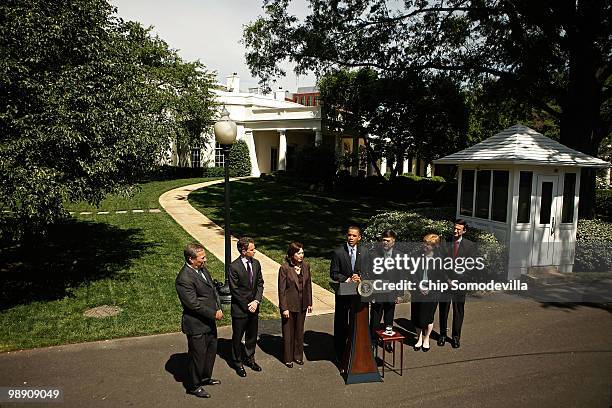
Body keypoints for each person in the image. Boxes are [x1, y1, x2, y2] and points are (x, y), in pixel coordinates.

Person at [175, 243, 223, 398]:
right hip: (196, 325)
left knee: (210, 352)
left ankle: (205, 378)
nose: (205, 260)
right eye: (202, 258)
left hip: (209, 322)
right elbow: (193, 304)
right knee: (198, 355)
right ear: (191, 259)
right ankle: (194, 386)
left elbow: (213, 290)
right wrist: (213, 313)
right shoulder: (184, 278)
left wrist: (219, 307)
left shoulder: (202, 269)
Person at [329, 225, 368, 361]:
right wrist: (347, 279)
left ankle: (356, 351)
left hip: (359, 295)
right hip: (343, 294)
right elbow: (334, 273)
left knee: (356, 323)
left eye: (354, 236)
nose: (351, 238)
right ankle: (340, 353)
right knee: (341, 323)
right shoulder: (338, 252)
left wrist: (360, 277)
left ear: (359, 237)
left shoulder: (364, 252)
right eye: (349, 235)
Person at [437, 219, 476, 349]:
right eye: (454, 228)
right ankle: (442, 335)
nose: (455, 231)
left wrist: (457, 281)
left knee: (458, 310)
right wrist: (447, 280)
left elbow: (470, 267)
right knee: (443, 309)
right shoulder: (445, 243)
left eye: (458, 229)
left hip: (460, 284)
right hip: (445, 282)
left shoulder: (469, 246)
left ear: (464, 231)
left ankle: (455, 337)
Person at [229, 237, 264, 376]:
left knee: (252, 336)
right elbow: (234, 290)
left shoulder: (256, 264)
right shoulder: (234, 267)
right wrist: (247, 305)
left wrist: (256, 302)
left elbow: (260, 283)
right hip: (240, 310)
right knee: (237, 337)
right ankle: (237, 362)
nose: (254, 251)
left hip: (254, 308)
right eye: (251, 249)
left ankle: (250, 358)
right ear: (243, 251)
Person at [278, 242, 313, 368]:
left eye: (302, 253)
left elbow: (308, 285)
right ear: (292, 254)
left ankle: (298, 356)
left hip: (302, 304)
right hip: (289, 305)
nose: (301, 255)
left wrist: (309, 302)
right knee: (288, 332)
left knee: (299, 331)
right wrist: (284, 308)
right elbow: (281, 290)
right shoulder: (285, 268)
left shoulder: (306, 266)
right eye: (298, 253)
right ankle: (288, 358)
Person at [369, 230, 402, 352]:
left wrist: (399, 294)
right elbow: (370, 275)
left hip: (392, 293)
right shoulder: (374, 255)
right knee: (375, 319)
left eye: (388, 240)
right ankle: (372, 341)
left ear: (393, 242)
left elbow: (401, 276)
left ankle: (388, 341)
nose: (385, 242)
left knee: (389, 318)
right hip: (377, 293)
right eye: (383, 240)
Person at [411, 234, 442, 352]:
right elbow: (411, 273)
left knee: (428, 317)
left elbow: (440, 277)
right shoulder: (416, 256)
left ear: (434, 246)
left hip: (432, 292)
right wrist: (419, 285)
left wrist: (430, 287)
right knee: (417, 316)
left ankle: (427, 338)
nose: (424, 245)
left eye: (428, 244)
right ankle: (419, 338)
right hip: (417, 291)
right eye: (424, 243)